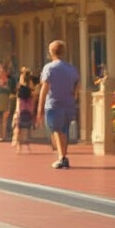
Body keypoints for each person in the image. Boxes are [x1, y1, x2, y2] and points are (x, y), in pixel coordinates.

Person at [37, 40, 80, 169]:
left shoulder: (49, 68)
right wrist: (74, 96)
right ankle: (62, 155)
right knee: (64, 131)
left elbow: (45, 87)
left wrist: (40, 106)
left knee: (56, 130)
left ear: (51, 52)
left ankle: (62, 157)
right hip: (68, 104)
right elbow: (78, 84)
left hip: (53, 104)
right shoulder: (71, 69)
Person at [12, 67, 36, 153]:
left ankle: (18, 145)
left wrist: (17, 112)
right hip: (28, 111)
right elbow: (32, 102)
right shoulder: (30, 91)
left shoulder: (20, 90)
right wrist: (32, 112)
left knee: (19, 128)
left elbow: (18, 102)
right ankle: (27, 145)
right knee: (27, 129)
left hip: (21, 110)